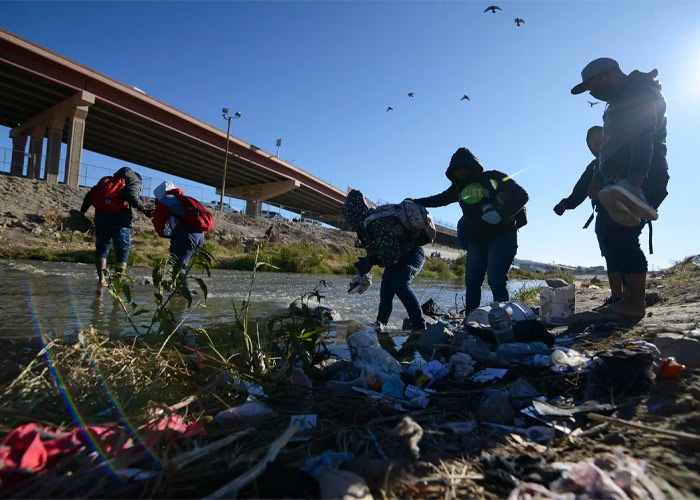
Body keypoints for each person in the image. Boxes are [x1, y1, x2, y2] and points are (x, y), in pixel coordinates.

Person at [570, 58, 669, 322]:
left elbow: (642, 135)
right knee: (614, 236)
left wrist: (635, 180)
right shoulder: (615, 102)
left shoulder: (639, 93)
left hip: (643, 176)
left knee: (622, 235)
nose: (593, 94)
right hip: (619, 179)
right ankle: (627, 299)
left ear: (608, 76)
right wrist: (600, 179)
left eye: (593, 87)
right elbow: (611, 149)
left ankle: (634, 303)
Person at [412, 148, 529, 314]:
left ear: (471, 166)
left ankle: (505, 321)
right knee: (472, 282)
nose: (459, 174)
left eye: (462, 169)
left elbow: (522, 195)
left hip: (502, 235)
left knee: (496, 280)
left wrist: (500, 214)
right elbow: (440, 199)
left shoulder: (493, 177)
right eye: (456, 171)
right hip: (477, 240)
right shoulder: (459, 188)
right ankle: (470, 321)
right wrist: (415, 202)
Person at [343, 190, 433, 333]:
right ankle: (380, 325)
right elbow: (376, 252)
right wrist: (364, 274)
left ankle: (420, 327)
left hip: (412, 252)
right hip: (397, 256)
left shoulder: (378, 220)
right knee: (386, 291)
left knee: (399, 283)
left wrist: (371, 260)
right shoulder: (366, 227)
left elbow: (390, 252)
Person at [553, 126, 623, 309]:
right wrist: (565, 204)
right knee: (609, 252)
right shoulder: (592, 167)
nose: (599, 145)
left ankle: (632, 295)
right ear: (590, 148)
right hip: (603, 214)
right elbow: (579, 191)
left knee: (626, 249)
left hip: (625, 210)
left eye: (602, 140)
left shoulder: (624, 156)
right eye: (594, 144)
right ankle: (617, 296)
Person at [79, 167, 148, 286]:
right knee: (122, 251)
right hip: (121, 222)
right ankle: (118, 283)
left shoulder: (106, 181)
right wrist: (143, 209)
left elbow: (90, 196)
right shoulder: (133, 181)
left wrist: (82, 213)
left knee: (102, 249)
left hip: (101, 220)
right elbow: (131, 196)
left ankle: (101, 280)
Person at [151, 181, 213, 272]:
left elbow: (158, 221)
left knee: (177, 269)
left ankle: (179, 286)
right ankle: (181, 285)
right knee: (182, 266)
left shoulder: (166, 199)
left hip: (185, 236)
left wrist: (164, 234)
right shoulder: (181, 200)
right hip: (200, 237)